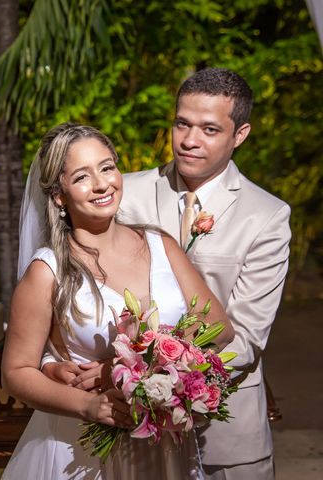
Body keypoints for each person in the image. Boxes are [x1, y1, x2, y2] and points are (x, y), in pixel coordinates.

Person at [41, 68, 291, 480]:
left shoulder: (266, 216)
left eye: (210, 129)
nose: (190, 140)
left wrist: (133, 376)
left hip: (224, 437)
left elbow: (244, 340)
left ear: (240, 134)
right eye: (182, 124)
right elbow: (66, 291)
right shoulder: (119, 190)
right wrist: (54, 363)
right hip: (126, 439)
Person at [2, 123, 234, 479]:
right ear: (59, 195)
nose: (101, 184)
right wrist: (88, 405)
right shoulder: (47, 272)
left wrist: (137, 366)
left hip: (164, 446)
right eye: (81, 176)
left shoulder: (161, 245)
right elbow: (16, 374)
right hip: (81, 451)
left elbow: (219, 329)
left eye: (107, 167)